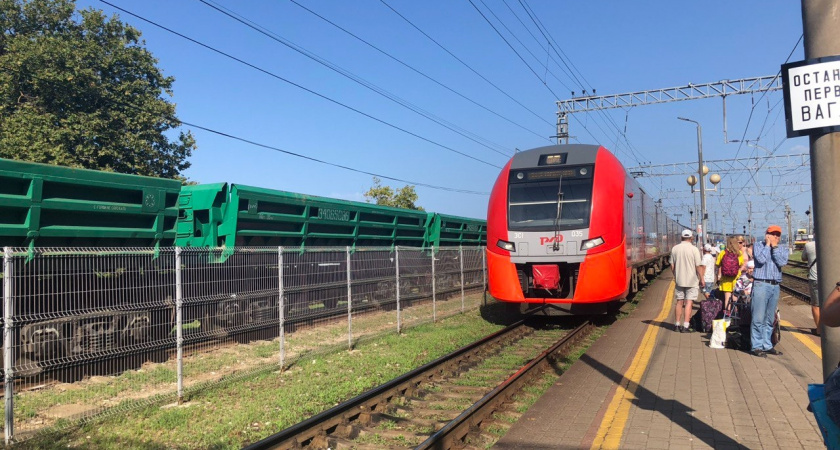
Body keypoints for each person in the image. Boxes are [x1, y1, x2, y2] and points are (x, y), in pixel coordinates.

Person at [750, 224, 788, 357]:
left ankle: (767, 344)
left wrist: (775, 248)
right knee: (758, 317)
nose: (775, 237)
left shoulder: (782, 249)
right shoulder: (758, 246)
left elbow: (782, 262)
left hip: (775, 285)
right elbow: (761, 259)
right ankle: (756, 346)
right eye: (773, 234)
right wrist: (767, 246)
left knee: (769, 318)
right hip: (761, 284)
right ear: (767, 235)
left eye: (778, 235)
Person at [670, 229, 704, 332]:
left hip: (679, 280)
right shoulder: (694, 249)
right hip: (692, 280)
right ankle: (685, 326)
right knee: (689, 302)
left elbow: (672, 265)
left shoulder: (675, 249)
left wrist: (676, 275)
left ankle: (676, 324)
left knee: (679, 302)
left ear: (681, 237)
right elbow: (698, 266)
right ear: (691, 238)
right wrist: (702, 278)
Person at [716, 236, 744, 312]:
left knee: (727, 297)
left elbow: (717, 264)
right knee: (735, 296)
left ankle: (727, 314)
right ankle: (735, 312)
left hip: (725, 278)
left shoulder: (723, 253)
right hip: (736, 277)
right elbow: (741, 264)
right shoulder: (739, 253)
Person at [802, 238, 819, 335]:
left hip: (814, 278)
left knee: (816, 305)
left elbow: (803, 258)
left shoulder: (809, 245)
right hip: (829, 279)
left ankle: (819, 329)